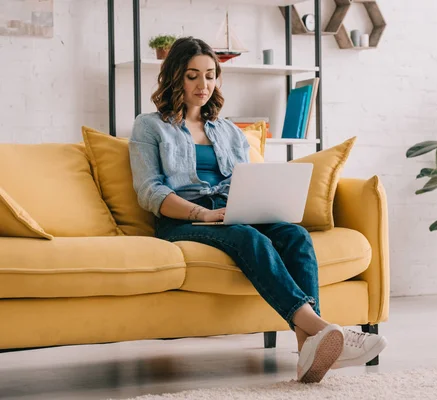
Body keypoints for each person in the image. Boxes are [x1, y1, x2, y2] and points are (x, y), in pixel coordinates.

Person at [128, 37, 387, 383]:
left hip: (231, 210)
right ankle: (323, 329)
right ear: (175, 76)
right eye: (192, 76)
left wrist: (257, 202)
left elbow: (245, 180)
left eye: (209, 75)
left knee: (294, 235)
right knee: (248, 237)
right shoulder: (150, 126)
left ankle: (306, 347)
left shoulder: (229, 131)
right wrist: (201, 214)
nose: (203, 85)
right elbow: (150, 191)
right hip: (182, 217)